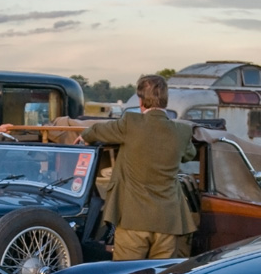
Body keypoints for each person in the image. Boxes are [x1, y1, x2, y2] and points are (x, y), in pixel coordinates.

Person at [80, 74, 197, 260]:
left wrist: (85, 135)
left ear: (141, 101)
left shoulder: (130, 123)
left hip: (133, 220)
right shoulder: (182, 131)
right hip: (169, 221)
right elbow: (190, 154)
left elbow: (98, 131)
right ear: (165, 100)